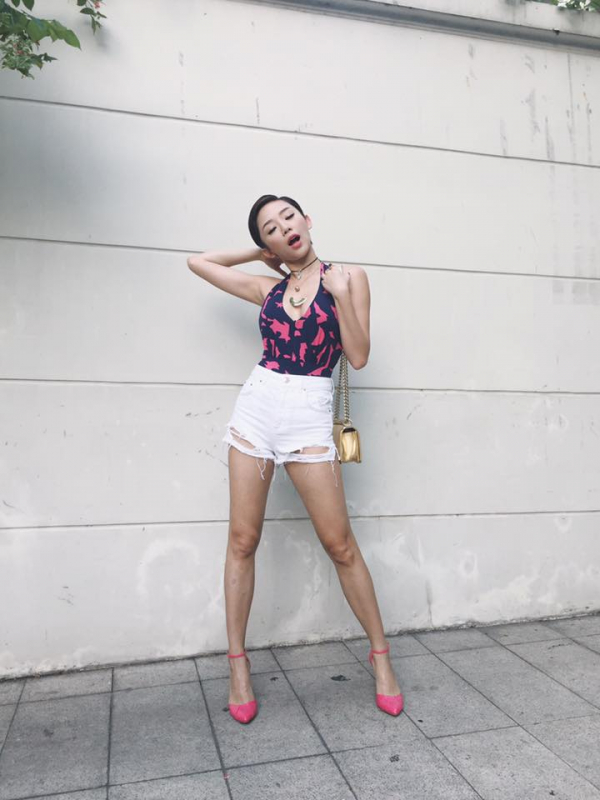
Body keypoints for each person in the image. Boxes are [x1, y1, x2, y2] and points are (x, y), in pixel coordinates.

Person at [187, 194, 403, 724]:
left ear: (307, 221)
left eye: (288, 216)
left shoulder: (349, 278)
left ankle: (381, 658)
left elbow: (358, 356)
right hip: (257, 408)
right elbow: (199, 262)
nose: (283, 227)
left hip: (309, 412)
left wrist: (340, 296)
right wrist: (257, 254)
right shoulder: (268, 289)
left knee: (340, 544)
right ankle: (238, 666)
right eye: (270, 228)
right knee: (243, 540)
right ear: (269, 244)